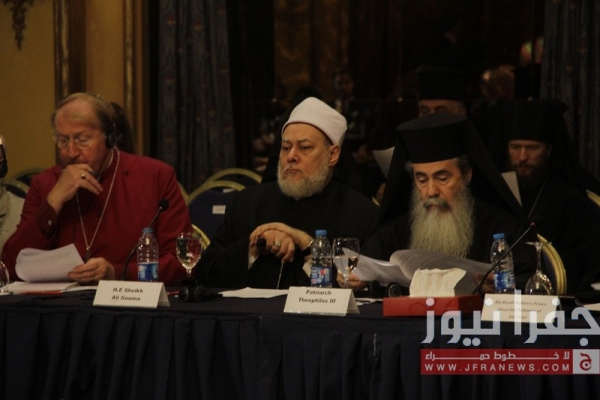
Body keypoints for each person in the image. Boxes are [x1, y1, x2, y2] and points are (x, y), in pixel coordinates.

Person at [2, 92, 191, 285]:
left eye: (82, 140)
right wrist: (53, 202)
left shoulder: (156, 177)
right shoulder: (44, 184)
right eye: (63, 140)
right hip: (61, 302)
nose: (71, 152)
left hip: (130, 300)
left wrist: (118, 273)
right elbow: (10, 265)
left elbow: (182, 263)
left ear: (110, 137)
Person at [197, 97, 379, 289]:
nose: (291, 156)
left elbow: (366, 288)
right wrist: (254, 249)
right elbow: (205, 272)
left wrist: (310, 247)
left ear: (332, 155)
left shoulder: (362, 215)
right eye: (285, 148)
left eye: (305, 148)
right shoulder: (246, 203)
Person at [346, 113, 536, 292]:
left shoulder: (502, 227)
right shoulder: (396, 231)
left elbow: (528, 281)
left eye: (442, 179)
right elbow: (362, 269)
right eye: (422, 180)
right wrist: (354, 278)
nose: (431, 191)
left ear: (466, 175)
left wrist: (501, 288)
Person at [489, 99, 600, 293]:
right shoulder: (494, 195)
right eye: (515, 147)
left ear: (548, 149)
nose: (522, 157)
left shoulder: (571, 202)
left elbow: (581, 267)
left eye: (532, 148)